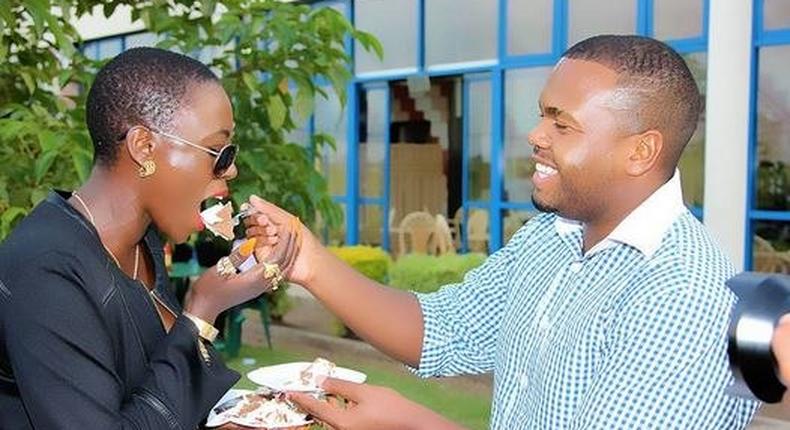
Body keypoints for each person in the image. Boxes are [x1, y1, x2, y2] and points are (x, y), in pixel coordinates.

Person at [244, 35, 761, 429]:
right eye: (542, 115)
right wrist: (307, 262)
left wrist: (413, 422)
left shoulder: (686, 295)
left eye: (562, 125)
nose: (535, 136)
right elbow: (446, 331)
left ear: (640, 151)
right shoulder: (551, 237)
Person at [0, 47, 294, 429]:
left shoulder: (141, 244)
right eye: (219, 151)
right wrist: (202, 311)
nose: (232, 169)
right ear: (144, 147)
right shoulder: (45, 269)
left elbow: (156, 389)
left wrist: (241, 267)